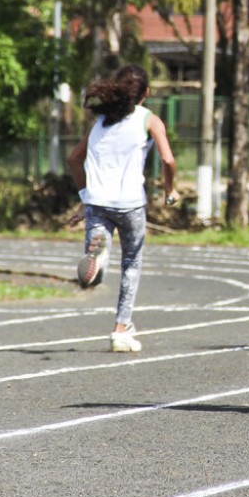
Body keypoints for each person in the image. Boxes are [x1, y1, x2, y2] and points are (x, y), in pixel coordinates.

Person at [67, 64, 179, 353]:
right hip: (130, 203)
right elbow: (168, 160)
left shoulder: (100, 122)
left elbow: (74, 159)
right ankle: (121, 329)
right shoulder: (149, 119)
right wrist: (170, 190)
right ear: (146, 92)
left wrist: (84, 195)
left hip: (96, 202)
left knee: (98, 260)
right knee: (131, 264)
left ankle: (99, 257)